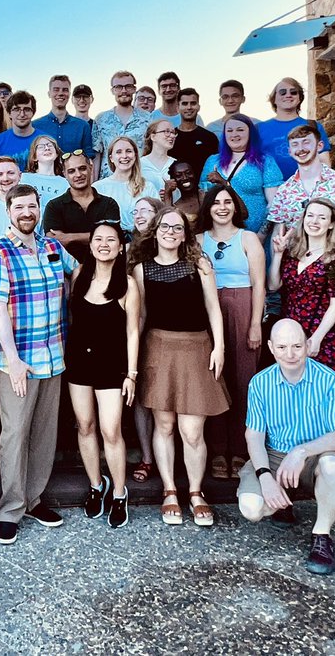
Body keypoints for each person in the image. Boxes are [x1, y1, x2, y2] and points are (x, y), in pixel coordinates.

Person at [0, 184, 78, 544]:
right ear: (8, 211)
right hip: (18, 361)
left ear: (39, 209)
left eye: (31, 206)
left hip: (53, 356)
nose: (26, 213)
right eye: (19, 207)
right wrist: (12, 359)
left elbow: (81, 271)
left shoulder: (52, 247)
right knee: (14, 435)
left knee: (44, 434)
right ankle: (10, 509)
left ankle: (33, 500)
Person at [131, 207, 229, 528]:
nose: (170, 232)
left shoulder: (200, 264)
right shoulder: (142, 270)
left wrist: (219, 346)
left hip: (196, 348)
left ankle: (196, 493)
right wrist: (134, 358)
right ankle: (170, 490)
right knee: (164, 426)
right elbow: (141, 317)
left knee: (192, 430)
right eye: (165, 226)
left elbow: (213, 308)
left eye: (177, 227)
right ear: (155, 231)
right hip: (158, 349)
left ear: (186, 234)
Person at [238, 318, 335, 575]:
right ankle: (283, 503)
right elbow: (254, 436)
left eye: (297, 346)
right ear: (271, 347)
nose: (290, 354)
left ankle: (322, 536)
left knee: (334, 467)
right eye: (282, 347)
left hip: (316, 455)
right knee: (251, 507)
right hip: (274, 454)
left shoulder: (330, 381)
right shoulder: (260, 383)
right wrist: (265, 476)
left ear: (307, 345)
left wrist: (301, 451)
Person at [66, 222, 140, 529]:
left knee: (111, 431)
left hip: (112, 365)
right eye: (98, 239)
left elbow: (133, 331)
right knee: (85, 425)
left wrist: (131, 374)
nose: (104, 244)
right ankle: (97, 485)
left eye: (111, 240)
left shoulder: (128, 284)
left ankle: (120, 493)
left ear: (121, 247)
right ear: (91, 244)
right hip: (78, 363)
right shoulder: (79, 275)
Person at [196, 184, 265, 481]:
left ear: (235, 206)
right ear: (208, 208)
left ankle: (239, 450)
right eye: (216, 202)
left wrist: (255, 324)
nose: (222, 207)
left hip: (242, 306)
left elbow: (259, 285)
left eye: (227, 202)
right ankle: (217, 450)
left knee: (242, 381)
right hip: (208, 309)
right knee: (213, 380)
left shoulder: (248, 239)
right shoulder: (198, 240)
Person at [268, 198, 335, 377]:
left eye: (322, 217)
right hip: (292, 333)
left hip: (323, 334)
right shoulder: (293, 253)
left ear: (331, 224)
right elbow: (273, 286)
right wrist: (278, 255)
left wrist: (317, 338)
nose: (314, 221)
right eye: (310, 215)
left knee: (322, 385)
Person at [266, 122, 335, 252]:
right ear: (290, 151)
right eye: (295, 144)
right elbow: (277, 234)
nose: (301, 149)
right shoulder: (284, 190)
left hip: (332, 259)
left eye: (306, 142)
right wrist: (275, 263)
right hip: (294, 260)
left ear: (319, 146)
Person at [128, 197, 163, 486]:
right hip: (136, 328)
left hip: (165, 329)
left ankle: (168, 457)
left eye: (146, 210)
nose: (139, 215)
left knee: (163, 398)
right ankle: (147, 456)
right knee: (141, 397)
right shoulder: (128, 249)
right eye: (135, 211)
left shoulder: (169, 243)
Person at [198, 115, 282, 235]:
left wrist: (261, 235)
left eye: (240, 130)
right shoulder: (213, 161)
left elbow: (273, 204)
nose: (234, 134)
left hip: (256, 235)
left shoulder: (265, 161)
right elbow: (203, 197)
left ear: (250, 133)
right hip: (219, 234)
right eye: (229, 130)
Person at [42, 149, 120, 264]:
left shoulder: (109, 204)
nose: (78, 175)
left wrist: (69, 238)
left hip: (105, 267)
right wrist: (96, 236)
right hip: (68, 270)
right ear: (64, 174)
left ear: (91, 168)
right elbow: (55, 242)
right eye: (71, 171)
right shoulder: (54, 206)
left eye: (82, 168)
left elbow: (111, 238)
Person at [256, 77, 331, 179]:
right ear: (274, 99)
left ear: (299, 98)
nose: (288, 95)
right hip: (271, 187)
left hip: (308, 185)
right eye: (282, 92)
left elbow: (324, 161)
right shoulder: (259, 129)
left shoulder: (313, 126)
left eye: (293, 92)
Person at [95, 136, 163, 232]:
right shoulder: (98, 188)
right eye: (119, 152)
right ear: (111, 158)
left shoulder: (148, 186)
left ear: (135, 155)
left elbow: (158, 216)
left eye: (128, 151)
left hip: (141, 238)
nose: (124, 156)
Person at [92, 70, 152, 179]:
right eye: (119, 87)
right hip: (107, 181)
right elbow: (97, 154)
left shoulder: (147, 118)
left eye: (128, 86)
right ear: (112, 90)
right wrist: (94, 184)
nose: (124, 91)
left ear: (134, 89)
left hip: (138, 179)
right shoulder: (101, 119)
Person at [33, 74, 95, 160]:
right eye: (56, 89)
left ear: (69, 94)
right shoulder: (35, 126)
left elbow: (89, 159)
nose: (60, 93)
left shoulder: (83, 126)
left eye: (65, 90)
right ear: (49, 93)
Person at [165, 87, 220, 183]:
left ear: (198, 107)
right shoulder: (170, 137)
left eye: (193, 103)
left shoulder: (210, 138)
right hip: (176, 190)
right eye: (185, 103)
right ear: (178, 107)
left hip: (203, 189)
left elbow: (216, 167)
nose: (189, 107)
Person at [0, 90, 40, 163]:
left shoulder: (45, 140)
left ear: (33, 112)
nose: (22, 114)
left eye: (27, 109)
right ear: (9, 113)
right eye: (16, 109)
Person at [21, 134, 70, 204]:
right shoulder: (24, 178)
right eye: (41, 147)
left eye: (50, 145)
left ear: (56, 154)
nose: (47, 148)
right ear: (34, 157)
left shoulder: (66, 183)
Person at [140, 119, 177, 186]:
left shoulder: (176, 164)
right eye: (167, 131)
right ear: (153, 137)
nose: (172, 136)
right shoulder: (139, 164)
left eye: (173, 132)